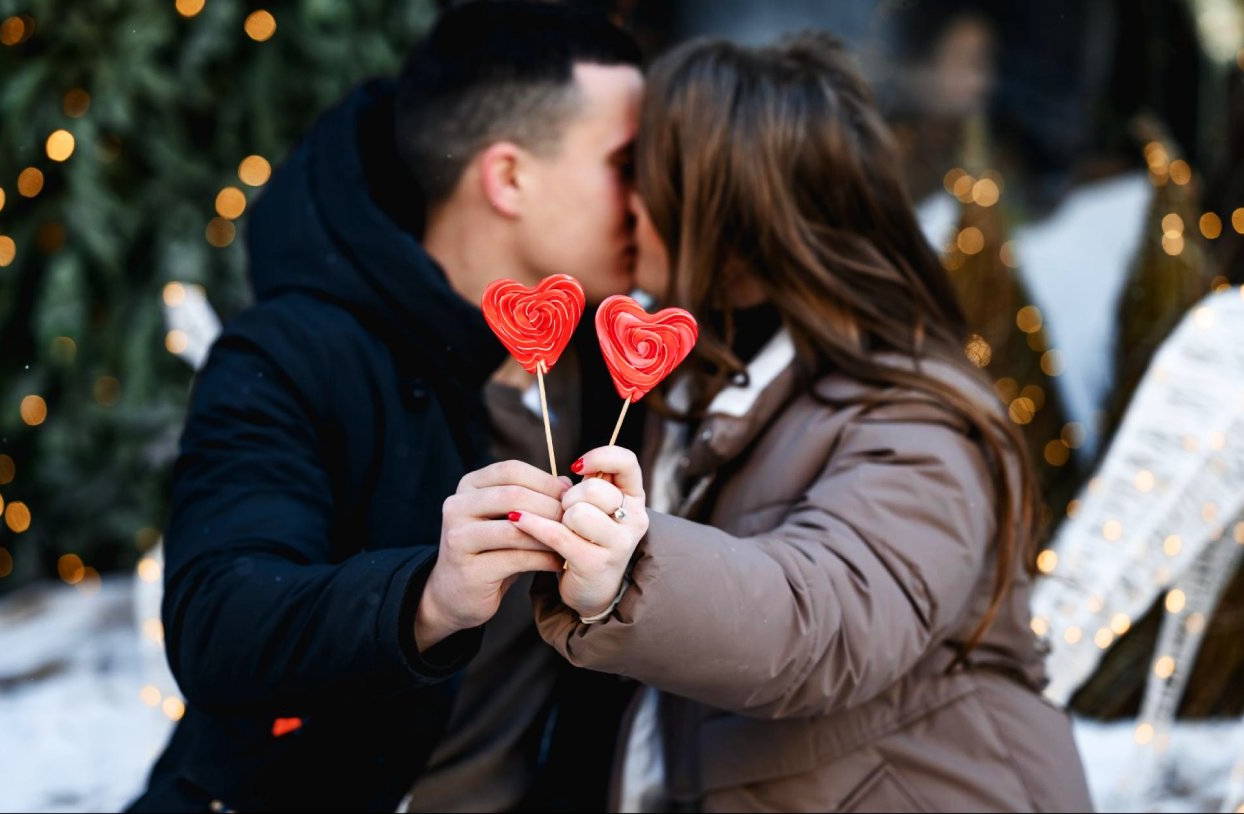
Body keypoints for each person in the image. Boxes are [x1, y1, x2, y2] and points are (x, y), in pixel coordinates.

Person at [511, 33, 1096, 811]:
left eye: (638, 172)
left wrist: (630, 565)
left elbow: (830, 618)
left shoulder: (915, 418)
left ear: (720, 209)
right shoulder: (684, 376)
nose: (623, 201)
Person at [127, 3, 642, 811]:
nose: (648, 198)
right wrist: (425, 599)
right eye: (625, 163)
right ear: (508, 177)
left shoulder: (623, 360)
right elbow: (218, 617)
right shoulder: (292, 353)